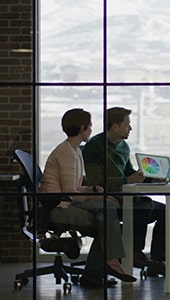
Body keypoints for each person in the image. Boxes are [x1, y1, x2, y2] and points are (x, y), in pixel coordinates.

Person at [40, 108, 137, 287]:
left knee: (106, 218)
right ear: (82, 128)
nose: (92, 130)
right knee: (107, 213)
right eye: (90, 126)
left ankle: (94, 275)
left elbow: (75, 188)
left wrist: (93, 189)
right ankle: (110, 263)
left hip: (66, 201)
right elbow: (69, 193)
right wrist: (102, 198)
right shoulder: (66, 153)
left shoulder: (74, 150)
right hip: (58, 207)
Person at [82, 107, 170, 277]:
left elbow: (128, 173)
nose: (130, 128)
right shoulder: (94, 146)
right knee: (143, 205)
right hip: (109, 200)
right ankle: (135, 252)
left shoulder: (123, 146)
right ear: (114, 127)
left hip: (125, 197)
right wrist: (126, 181)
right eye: (127, 124)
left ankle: (158, 261)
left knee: (166, 210)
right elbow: (96, 182)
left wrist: (152, 178)